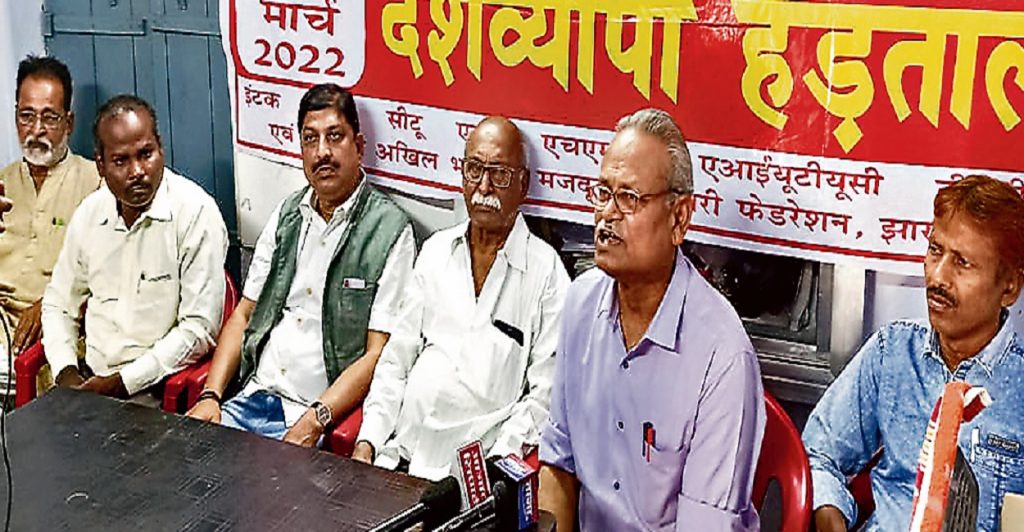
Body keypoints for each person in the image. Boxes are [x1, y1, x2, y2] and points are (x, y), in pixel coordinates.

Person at [538, 108, 765, 531]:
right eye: (602, 193)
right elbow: (558, 463)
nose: (607, 215)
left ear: (679, 218)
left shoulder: (722, 357)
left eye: (629, 198)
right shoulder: (580, 304)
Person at [186, 84, 416, 447]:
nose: (322, 152)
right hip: (251, 396)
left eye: (335, 137)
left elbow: (378, 354)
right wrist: (210, 396)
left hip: (309, 416)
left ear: (359, 147)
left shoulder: (389, 231)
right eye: (311, 139)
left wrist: (315, 420)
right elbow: (244, 315)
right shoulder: (288, 214)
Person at [351, 116, 570, 480]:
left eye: (499, 174)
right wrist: (368, 440)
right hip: (398, 457)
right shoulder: (435, 251)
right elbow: (396, 360)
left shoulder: (546, 273)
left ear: (523, 184)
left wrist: (496, 465)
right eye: (474, 170)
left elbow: (544, 396)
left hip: (469, 479)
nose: (484, 187)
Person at [805, 175, 1024, 532]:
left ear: (1010, 287)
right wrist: (832, 517)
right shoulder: (892, 352)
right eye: (935, 250)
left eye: (962, 263)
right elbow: (820, 452)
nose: (937, 277)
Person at [41, 95, 228, 401]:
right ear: (100, 165)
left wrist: (122, 382)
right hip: (87, 380)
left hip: (154, 388)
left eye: (146, 154)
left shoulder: (195, 213)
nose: (137, 171)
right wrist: (66, 372)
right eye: (121, 161)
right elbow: (59, 304)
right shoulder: (90, 213)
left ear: (161, 149)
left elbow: (199, 328)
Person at [0, 55, 100, 397]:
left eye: (50, 117)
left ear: (69, 122)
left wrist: (48, 306)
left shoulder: (96, 185)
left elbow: (105, 278)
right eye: (27, 116)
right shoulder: (3, 183)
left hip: (56, 330)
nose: (37, 130)